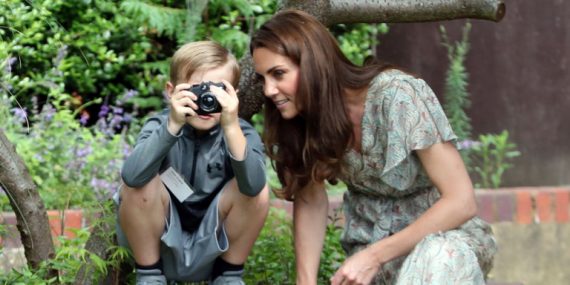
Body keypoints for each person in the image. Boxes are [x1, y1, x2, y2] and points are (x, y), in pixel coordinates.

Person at [250, 9, 497, 285]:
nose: (269, 90)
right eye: (263, 79)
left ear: (313, 65)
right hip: (370, 257)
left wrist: (373, 257)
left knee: (439, 256)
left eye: (278, 74)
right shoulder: (302, 121)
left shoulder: (397, 95)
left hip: (445, 244)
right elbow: (310, 200)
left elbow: (461, 201)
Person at [116, 41, 269, 285]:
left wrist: (231, 127)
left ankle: (227, 276)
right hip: (159, 245)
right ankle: (149, 276)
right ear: (171, 91)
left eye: (218, 91)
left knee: (258, 192)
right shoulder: (160, 125)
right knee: (141, 185)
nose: (206, 100)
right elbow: (132, 177)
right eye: (197, 90)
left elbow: (252, 187)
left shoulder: (242, 134)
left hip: (213, 248)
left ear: (233, 97)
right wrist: (173, 125)